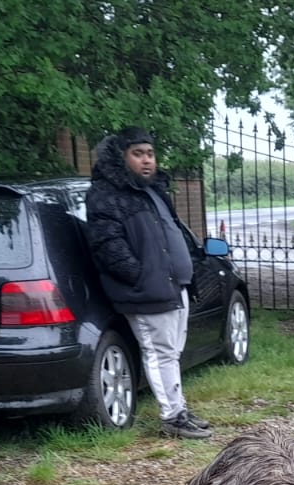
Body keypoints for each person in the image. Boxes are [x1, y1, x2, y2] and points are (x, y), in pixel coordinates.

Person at [86, 126, 212, 439]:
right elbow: (107, 245)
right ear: (122, 156)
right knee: (159, 353)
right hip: (146, 291)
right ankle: (172, 418)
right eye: (138, 154)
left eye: (150, 154)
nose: (147, 161)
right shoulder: (106, 195)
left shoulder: (153, 191)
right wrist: (140, 275)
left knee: (171, 352)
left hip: (173, 286)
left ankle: (179, 408)